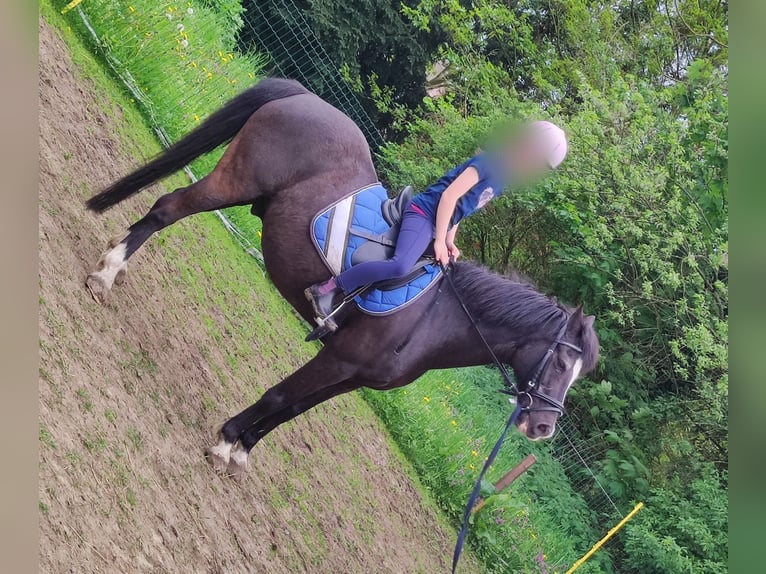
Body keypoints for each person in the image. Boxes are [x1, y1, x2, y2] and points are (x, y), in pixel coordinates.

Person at [305, 120, 569, 325]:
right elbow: (449, 196)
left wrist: (450, 241)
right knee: (399, 265)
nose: (534, 168)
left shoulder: (502, 179)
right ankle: (327, 289)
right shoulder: (490, 162)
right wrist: (440, 239)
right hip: (424, 213)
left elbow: (461, 209)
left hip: (439, 224)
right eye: (537, 159)